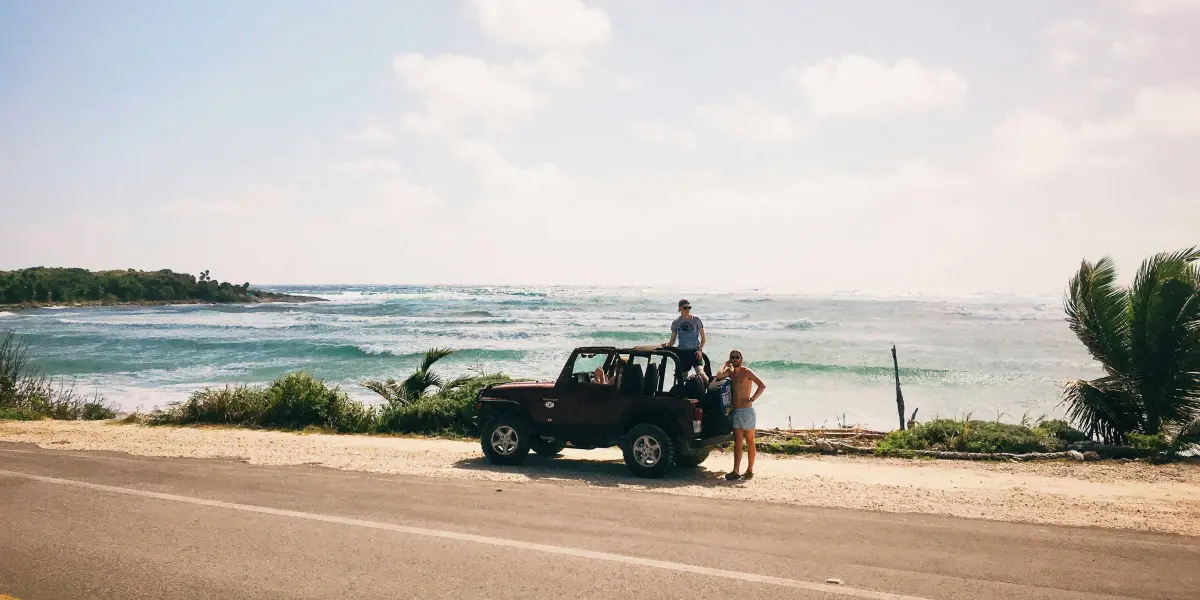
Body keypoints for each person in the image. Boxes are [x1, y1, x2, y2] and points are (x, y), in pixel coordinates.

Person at [714, 349, 765, 481]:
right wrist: (725, 364)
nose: (735, 359)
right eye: (732, 357)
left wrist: (752, 399)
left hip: (747, 412)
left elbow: (762, 385)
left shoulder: (746, 371)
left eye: (737, 357)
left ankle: (749, 470)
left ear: (741, 359)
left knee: (750, 441)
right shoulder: (730, 373)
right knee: (737, 443)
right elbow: (719, 376)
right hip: (735, 411)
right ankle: (735, 471)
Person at [662, 299, 707, 384]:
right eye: (685, 308)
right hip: (682, 352)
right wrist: (666, 344)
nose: (688, 310)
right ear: (680, 308)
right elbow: (672, 340)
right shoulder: (676, 322)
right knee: (681, 379)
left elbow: (703, 338)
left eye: (689, 308)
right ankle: (681, 395)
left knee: (701, 374)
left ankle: (709, 392)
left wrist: (700, 349)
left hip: (695, 352)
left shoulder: (696, 320)